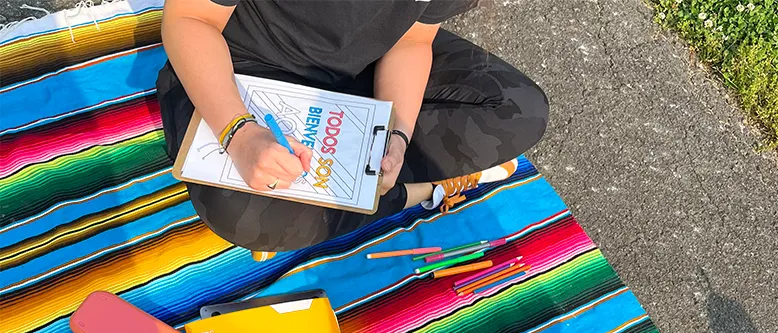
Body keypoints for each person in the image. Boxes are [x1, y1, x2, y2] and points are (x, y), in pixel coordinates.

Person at [157, 0, 549, 253]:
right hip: (242, 67)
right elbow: (190, 18)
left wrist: (397, 134)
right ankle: (416, 191)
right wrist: (238, 134)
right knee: (245, 216)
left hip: (365, 63)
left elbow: (413, 41)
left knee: (517, 108)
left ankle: (367, 187)